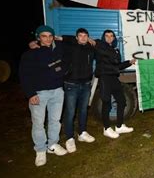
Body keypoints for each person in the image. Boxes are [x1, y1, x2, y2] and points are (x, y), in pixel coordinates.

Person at [19, 25, 68, 166]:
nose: (47, 39)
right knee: (38, 123)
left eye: (50, 36)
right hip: (39, 93)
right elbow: (24, 75)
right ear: (38, 38)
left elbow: (71, 42)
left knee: (55, 120)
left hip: (57, 91)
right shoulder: (30, 54)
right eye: (44, 36)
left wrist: (60, 38)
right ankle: (40, 150)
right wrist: (30, 94)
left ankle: (52, 144)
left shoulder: (57, 49)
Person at [59, 28, 96, 153]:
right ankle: (69, 138)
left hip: (86, 84)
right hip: (71, 84)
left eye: (85, 36)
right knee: (70, 112)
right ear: (76, 37)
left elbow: (100, 44)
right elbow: (57, 38)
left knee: (83, 110)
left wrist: (91, 40)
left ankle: (82, 132)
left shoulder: (91, 48)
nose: (83, 38)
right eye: (80, 36)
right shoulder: (70, 46)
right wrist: (34, 43)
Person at [95, 29, 136, 138]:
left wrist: (129, 63)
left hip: (114, 78)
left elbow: (117, 66)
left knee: (122, 101)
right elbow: (95, 43)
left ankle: (119, 126)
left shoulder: (115, 50)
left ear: (114, 38)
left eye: (111, 36)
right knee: (106, 103)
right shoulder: (100, 47)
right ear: (103, 37)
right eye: (107, 36)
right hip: (105, 78)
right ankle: (106, 128)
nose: (109, 38)